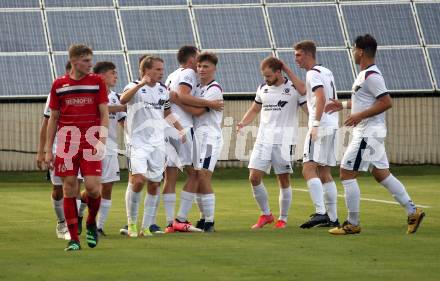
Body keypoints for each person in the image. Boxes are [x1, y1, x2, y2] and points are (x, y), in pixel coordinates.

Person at [325, 34, 425, 235]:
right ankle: (412, 211)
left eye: (354, 49)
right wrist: (343, 105)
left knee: (346, 172)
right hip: (370, 132)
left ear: (361, 51)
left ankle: (352, 223)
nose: (353, 53)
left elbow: (386, 102)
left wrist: (358, 116)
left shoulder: (372, 76)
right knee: (381, 174)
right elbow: (366, 101)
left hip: (368, 133)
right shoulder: (364, 75)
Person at [45, 44, 109, 251]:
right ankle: (74, 239)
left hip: (90, 141)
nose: (90, 65)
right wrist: (48, 149)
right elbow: (53, 118)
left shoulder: (97, 82)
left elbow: (104, 113)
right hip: (66, 143)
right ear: (74, 61)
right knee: (69, 188)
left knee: (92, 188)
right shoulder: (59, 85)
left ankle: (90, 222)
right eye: (86, 61)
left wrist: (102, 140)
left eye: (91, 60)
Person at [236, 57, 307, 229]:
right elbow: (255, 108)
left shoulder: (293, 89)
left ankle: (283, 218)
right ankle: (266, 215)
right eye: (264, 76)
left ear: (278, 72)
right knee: (254, 177)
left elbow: (307, 109)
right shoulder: (262, 88)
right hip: (263, 139)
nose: (266, 79)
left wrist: (317, 125)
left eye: (269, 75)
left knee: (283, 179)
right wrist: (243, 123)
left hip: (284, 141)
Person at [120, 55, 186, 238]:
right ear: (145, 70)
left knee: (154, 183)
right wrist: (141, 84)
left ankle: (147, 226)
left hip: (157, 143)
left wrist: (180, 129)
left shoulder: (162, 90)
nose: (161, 73)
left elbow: (166, 112)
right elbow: (123, 100)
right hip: (137, 142)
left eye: (162, 70)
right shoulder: (132, 86)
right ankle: (132, 223)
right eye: (157, 69)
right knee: (138, 180)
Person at [163, 46, 223, 233]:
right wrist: (180, 99)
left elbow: (196, 110)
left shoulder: (214, 88)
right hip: (191, 133)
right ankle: (194, 219)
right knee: (197, 175)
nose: (201, 69)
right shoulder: (196, 83)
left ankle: (206, 220)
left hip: (209, 137)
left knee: (200, 175)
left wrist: (177, 99)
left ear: (214, 68)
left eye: (206, 66)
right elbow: (184, 98)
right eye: (199, 65)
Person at [294, 40, 340, 228]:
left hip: (320, 125)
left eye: (298, 55)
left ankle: (321, 213)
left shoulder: (312, 74)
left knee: (308, 168)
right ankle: (333, 218)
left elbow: (320, 97)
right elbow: (309, 92)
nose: (296, 58)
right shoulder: (325, 71)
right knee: (324, 172)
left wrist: (315, 124)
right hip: (332, 123)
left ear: (307, 54)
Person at [36, 62, 72, 241]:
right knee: (58, 189)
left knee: (75, 186)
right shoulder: (57, 91)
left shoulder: (89, 89)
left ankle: (72, 224)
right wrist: (42, 151)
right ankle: (61, 222)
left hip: (79, 148)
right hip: (59, 148)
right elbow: (46, 124)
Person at [92, 61, 126, 236]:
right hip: (91, 147)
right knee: (92, 188)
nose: (116, 76)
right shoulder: (91, 95)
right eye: (113, 73)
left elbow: (123, 121)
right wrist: (122, 106)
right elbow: (100, 110)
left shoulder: (115, 96)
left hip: (111, 148)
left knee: (108, 187)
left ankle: (99, 226)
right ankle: (81, 214)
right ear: (102, 75)